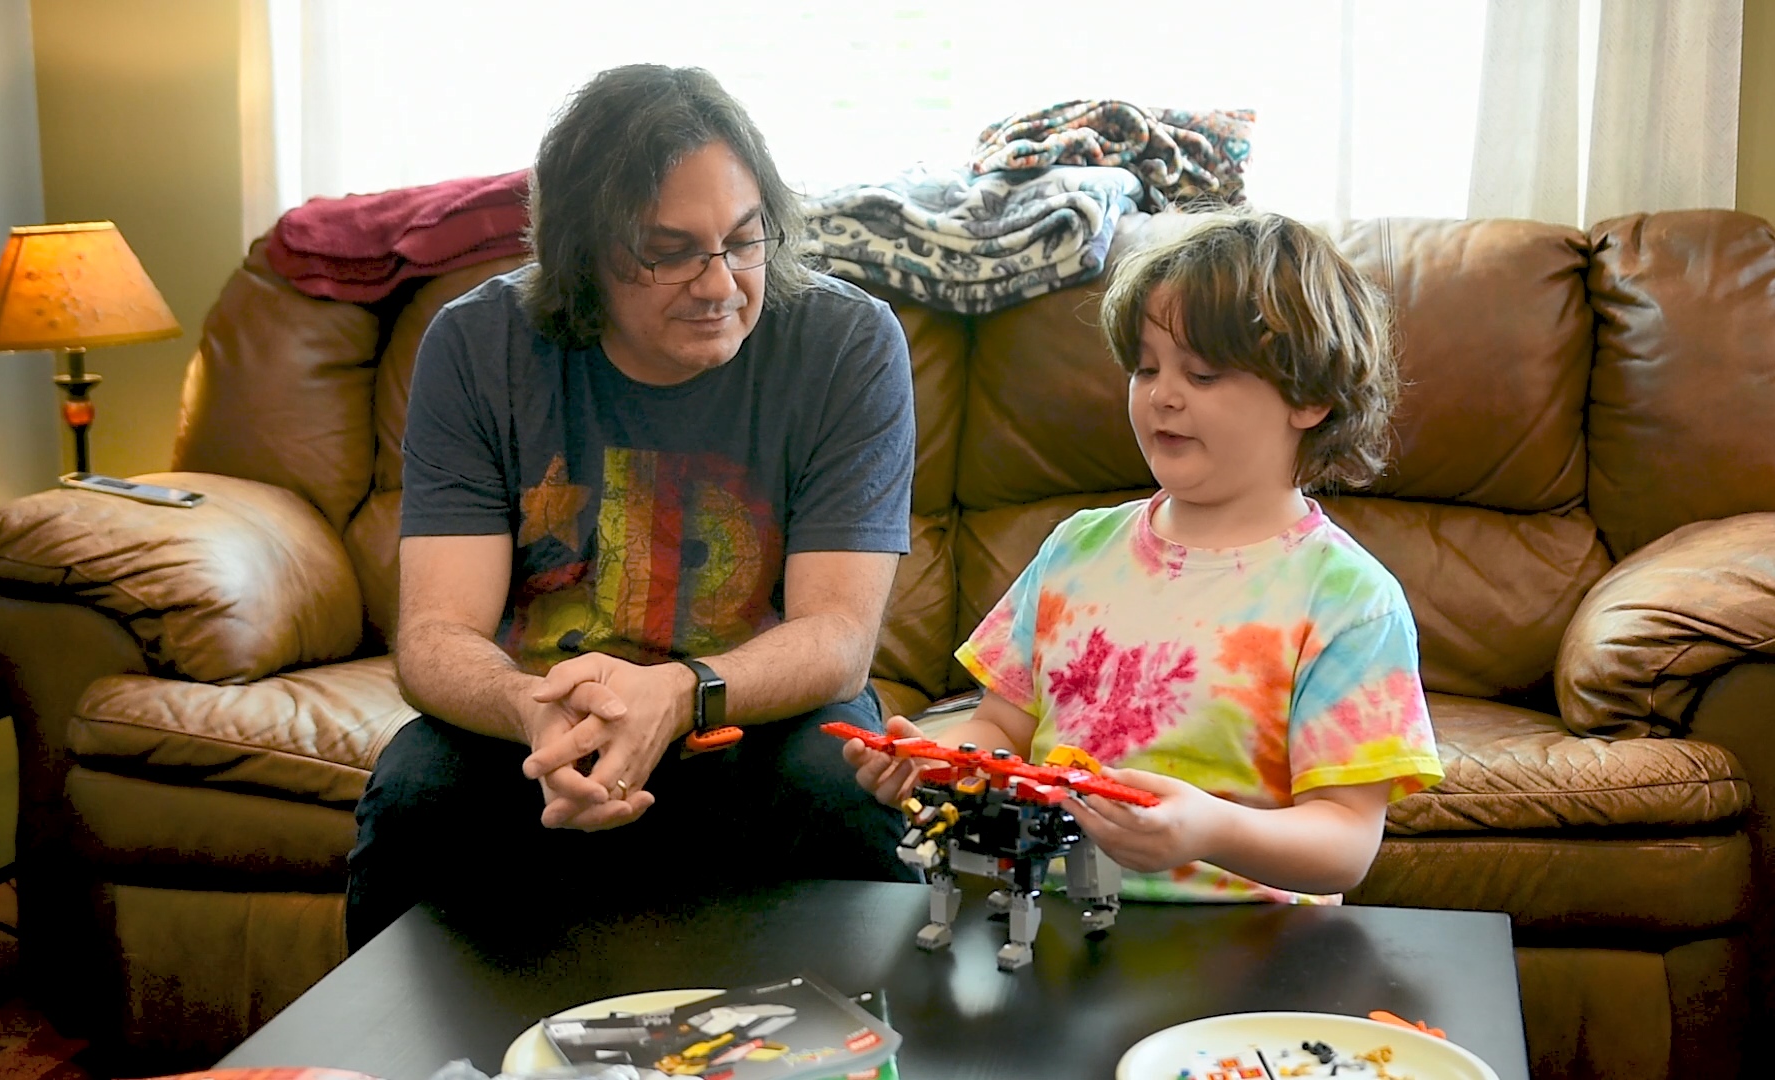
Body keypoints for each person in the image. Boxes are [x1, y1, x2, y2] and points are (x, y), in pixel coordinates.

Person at [346, 65, 918, 948]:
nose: (721, 284)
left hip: (754, 719)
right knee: (416, 793)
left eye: (743, 239)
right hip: (541, 727)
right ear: (584, 257)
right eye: (669, 252)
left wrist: (681, 695)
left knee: (835, 783)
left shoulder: (846, 342)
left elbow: (838, 638)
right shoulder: (478, 345)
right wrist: (531, 712)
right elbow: (433, 635)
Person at [843, 211, 1443, 903]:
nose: (1163, 395)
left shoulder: (1350, 599)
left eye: (1204, 373)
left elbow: (1345, 843)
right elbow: (1002, 727)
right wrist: (943, 762)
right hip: (1048, 916)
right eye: (1146, 368)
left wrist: (1210, 829)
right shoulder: (1077, 547)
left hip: (1250, 940)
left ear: (1310, 396)